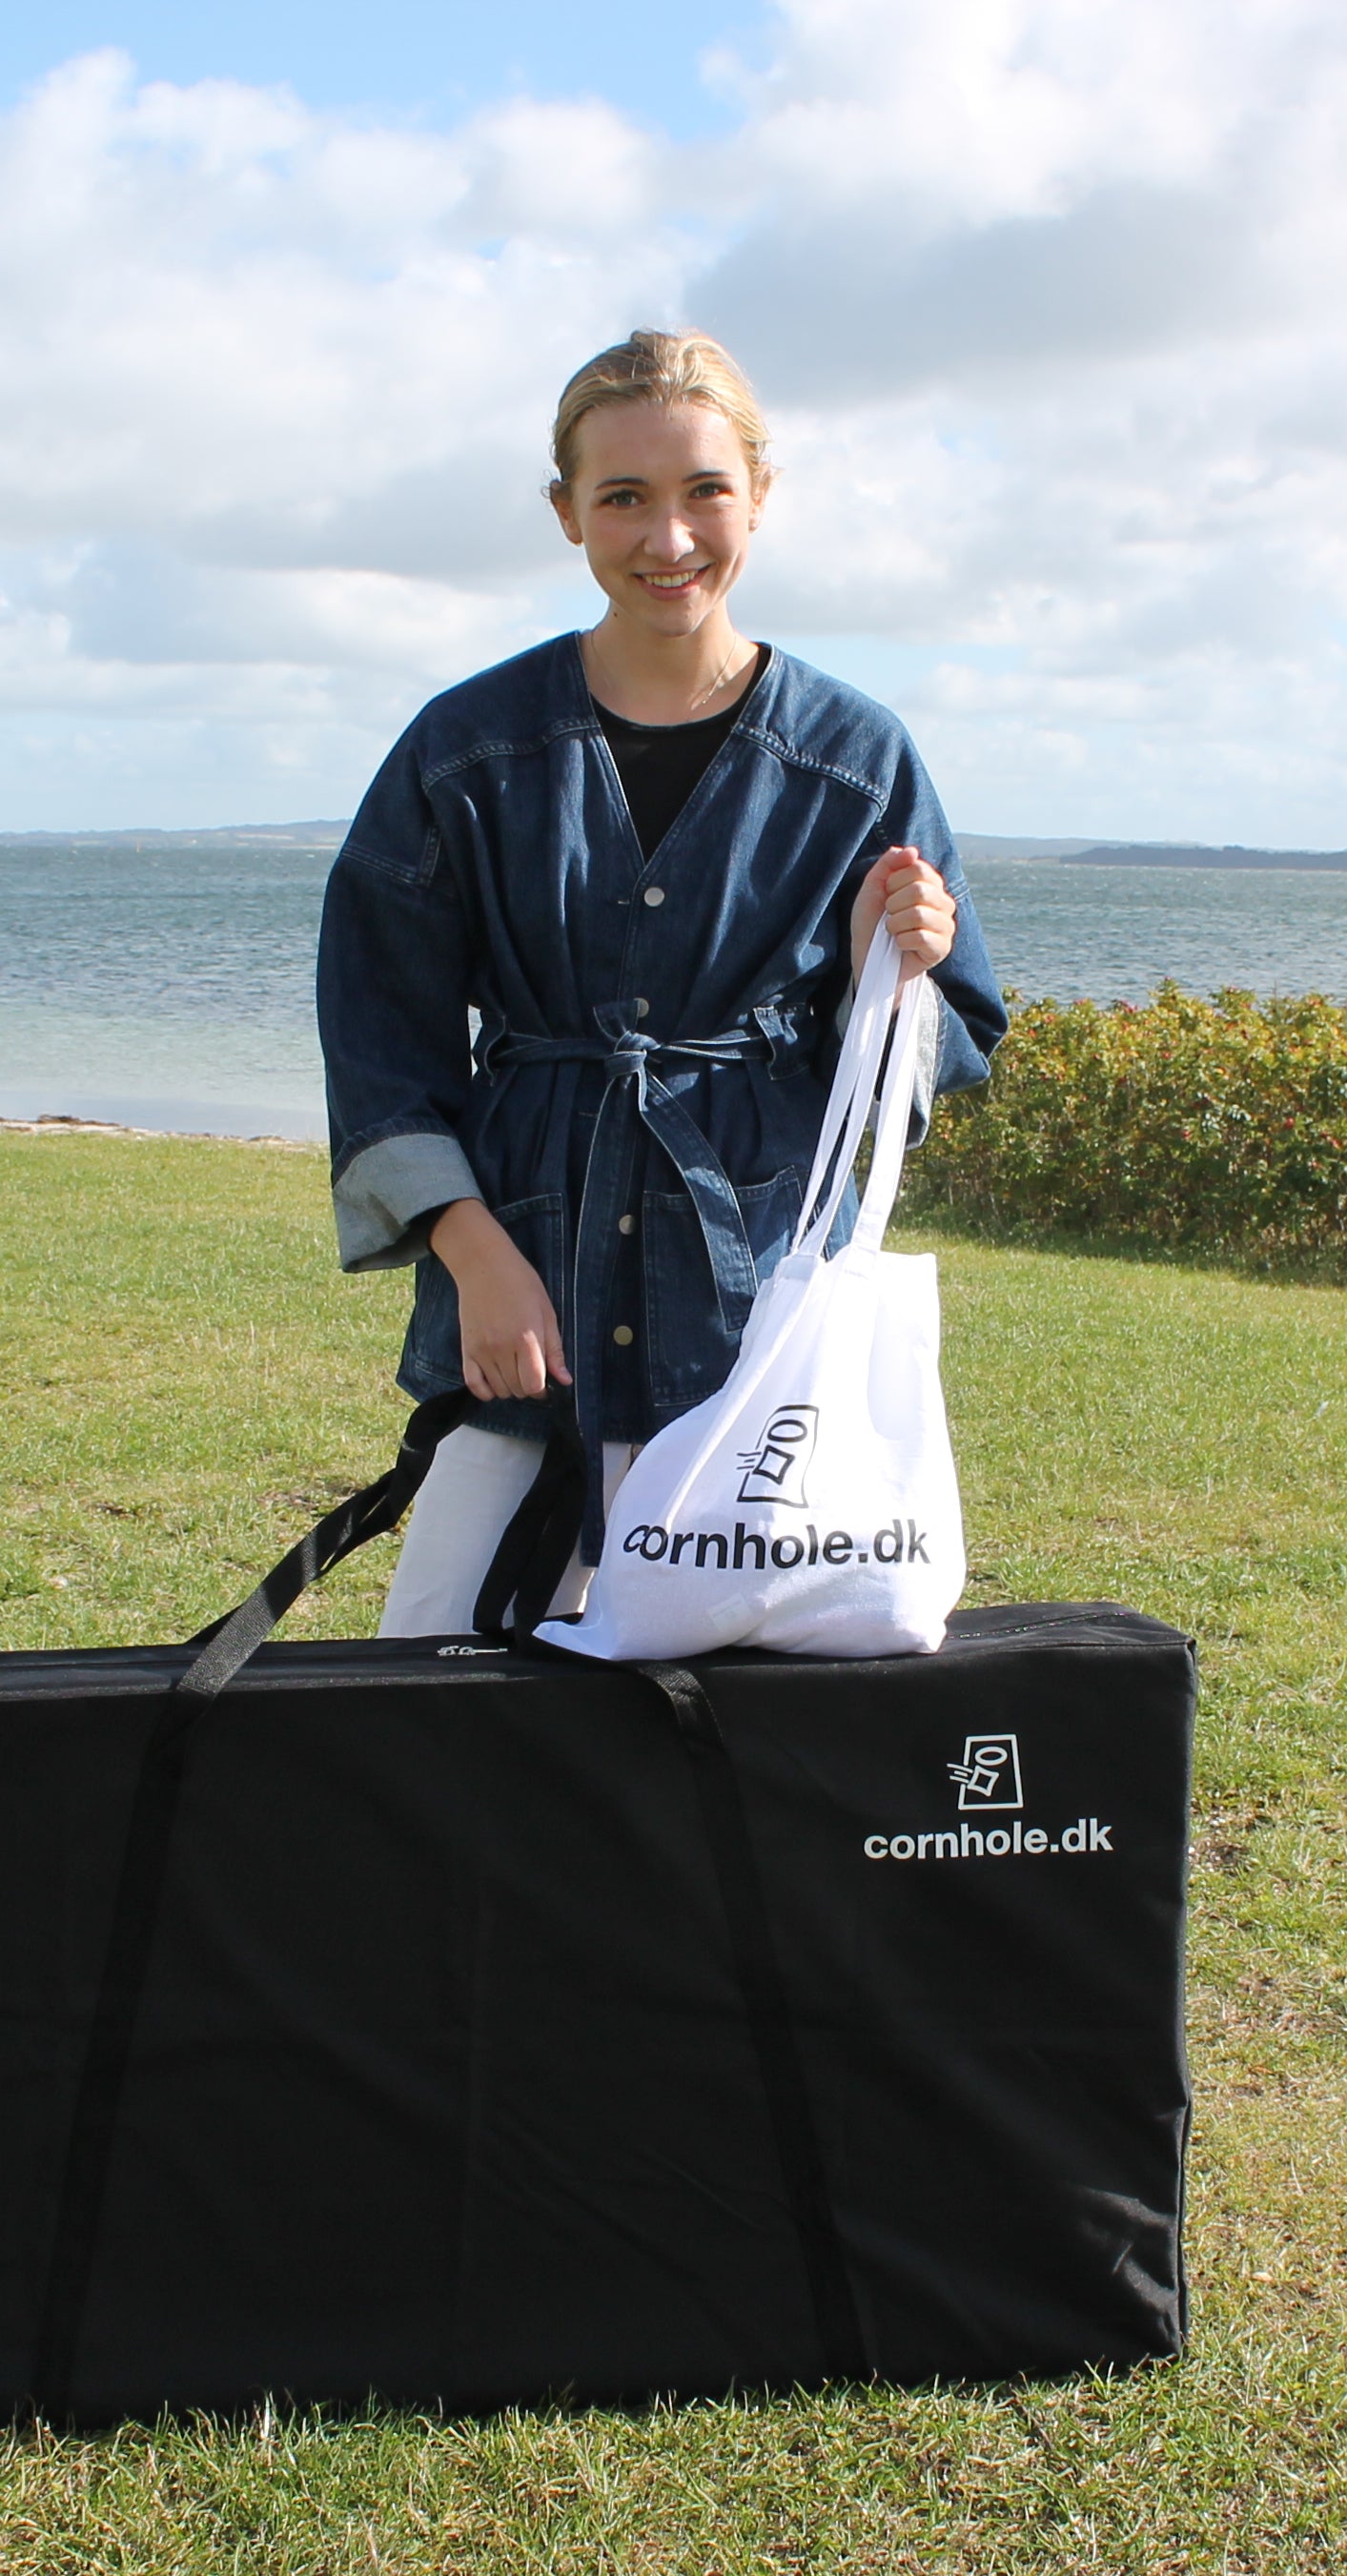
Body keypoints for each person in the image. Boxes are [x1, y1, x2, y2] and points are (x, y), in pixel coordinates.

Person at [319, 328, 1007, 1635]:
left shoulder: (856, 759)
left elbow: (946, 1038)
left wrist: (889, 967)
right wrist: (477, 1260)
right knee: (431, 1684)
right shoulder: (467, 749)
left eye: (703, 491)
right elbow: (379, 1042)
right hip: (524, 1306)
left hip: (757, 1338)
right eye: (623, 496)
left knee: (732, 1727)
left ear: (759, 494)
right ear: (566, 510)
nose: (668, 536)